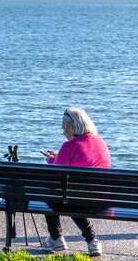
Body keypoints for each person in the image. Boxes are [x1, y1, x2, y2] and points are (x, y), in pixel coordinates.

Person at [41, 107, 111, 256]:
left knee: (52, 192)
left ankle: (55, 237)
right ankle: (92, 241)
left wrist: (51, 160)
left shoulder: (68, 146)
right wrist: (59, 156)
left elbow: (56, 173)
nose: (63, 131)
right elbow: (85, 160)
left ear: (72, 125)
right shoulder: (100, 142)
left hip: (78, 201)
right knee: (73, 194)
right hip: (102, 202)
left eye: (64, 127)